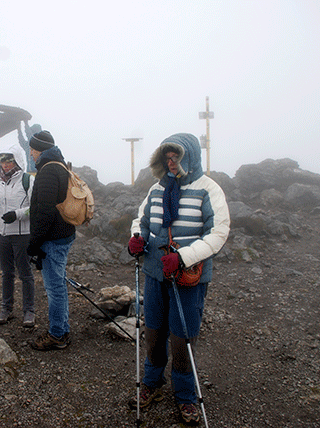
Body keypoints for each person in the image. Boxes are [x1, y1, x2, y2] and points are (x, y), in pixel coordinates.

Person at [128, 133, 230, 424]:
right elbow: (142, 221)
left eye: (176, 157)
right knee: (155, 330)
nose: (171, 163)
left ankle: (185, 395)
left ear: (189, 157)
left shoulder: (208, 189)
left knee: (182, 337)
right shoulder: (156, 189)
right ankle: (152, 382)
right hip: (155, 272)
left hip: (189, 276)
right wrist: (137, 238)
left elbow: (218, 232)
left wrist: (184, 256)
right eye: (167, 158)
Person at [25, 130, 76, 351]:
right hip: (62, 235)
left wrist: (34, 244)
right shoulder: (60, 166)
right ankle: (61, 329)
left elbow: (44, 212)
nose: (31, 153)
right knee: (58, 285)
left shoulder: (47, 171)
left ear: (39, 150)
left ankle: (57, 334)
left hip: (53, 239)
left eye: (33, 149)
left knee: (54, 288)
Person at [0, 143, 36, 327]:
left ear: (16, 160)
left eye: (9, 160)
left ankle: (29, 311)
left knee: (25, 273)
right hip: (2, 233)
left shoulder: (27, 180)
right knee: (7, 273)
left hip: (22, 233)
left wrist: (17, 214)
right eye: (2, 161)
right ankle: (6, 308)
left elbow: (35, 207)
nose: (5, 165)